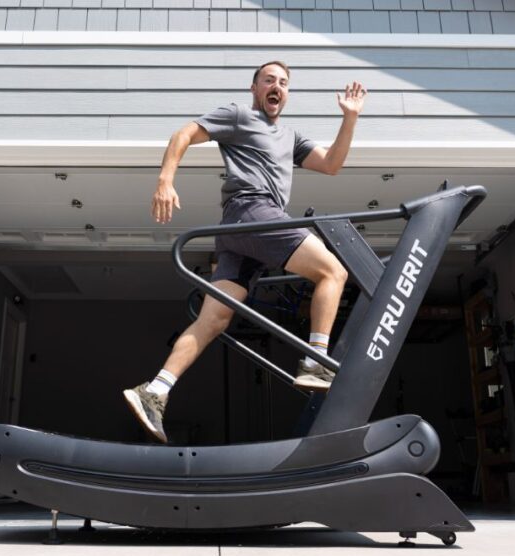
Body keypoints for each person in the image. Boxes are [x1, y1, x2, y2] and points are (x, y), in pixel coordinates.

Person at [124, 61, 367, 443]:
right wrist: (164, 180)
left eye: (284, 83)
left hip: (240, 235)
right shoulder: (238, 115)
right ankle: (317, 361)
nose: (277, 87)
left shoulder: (291, 137)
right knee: (332, 272)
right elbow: (183, 133)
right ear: (254, 88)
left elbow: (332, 164)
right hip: (252, 212)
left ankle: (155, 390)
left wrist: (350, 118)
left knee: (214, 321)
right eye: (269, 80)